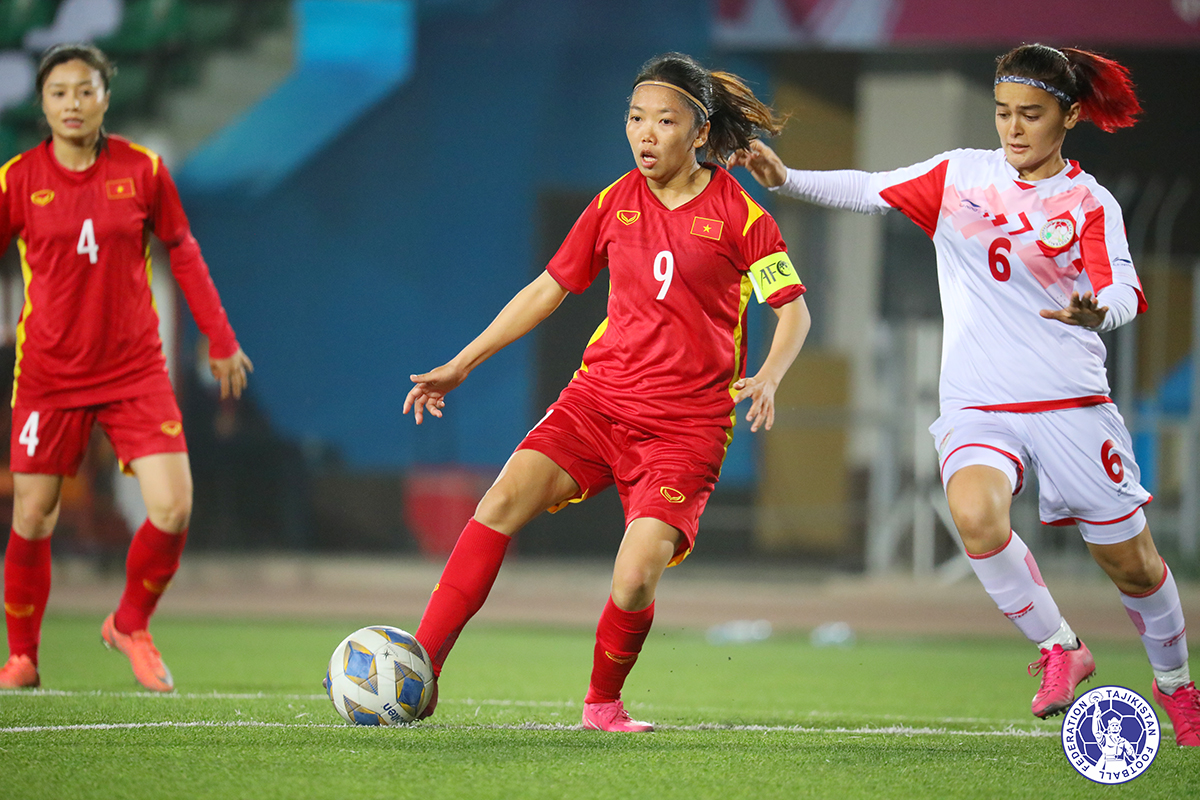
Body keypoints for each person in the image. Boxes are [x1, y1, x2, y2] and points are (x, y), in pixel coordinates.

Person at [729, 43, 1199, 746]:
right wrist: (787, 177)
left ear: (1067, 117)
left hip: (1070, 403)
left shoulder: (1087, 201)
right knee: (975, 516)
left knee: (1131, 564)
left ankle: (1178, 688)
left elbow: (1123, 288)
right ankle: (1060, 649)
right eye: (1004, 112)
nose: (1013, 129)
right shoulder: (960, 177)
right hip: (980, 403)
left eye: (1031, 115)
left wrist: (1099, 313)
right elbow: (871, 188)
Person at [403, 52, 810, 732]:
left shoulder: (741, 218)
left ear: (701, 133)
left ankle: (602, 705)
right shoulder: (612, 203)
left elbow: (792, 308)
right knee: (500, 500)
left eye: (664, 121)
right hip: (598, 405)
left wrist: (769, 374)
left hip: (685, 431)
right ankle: (421, 670)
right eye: (635, 119)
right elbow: (546, 289)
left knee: (634, 577)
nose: (645, 134)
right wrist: (463, 361)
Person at [0, 44, 252, 692]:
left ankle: (130, 624)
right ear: (43, 104)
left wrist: (219, 339)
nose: (73, 104)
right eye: (59, 93)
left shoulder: (142, 171)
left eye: (85, 90)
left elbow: (185, 253)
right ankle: (23, 656)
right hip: (49, 376)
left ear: (106, 97)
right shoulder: (18, 180)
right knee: (34, 517)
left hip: (135, 372)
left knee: (172, 508)